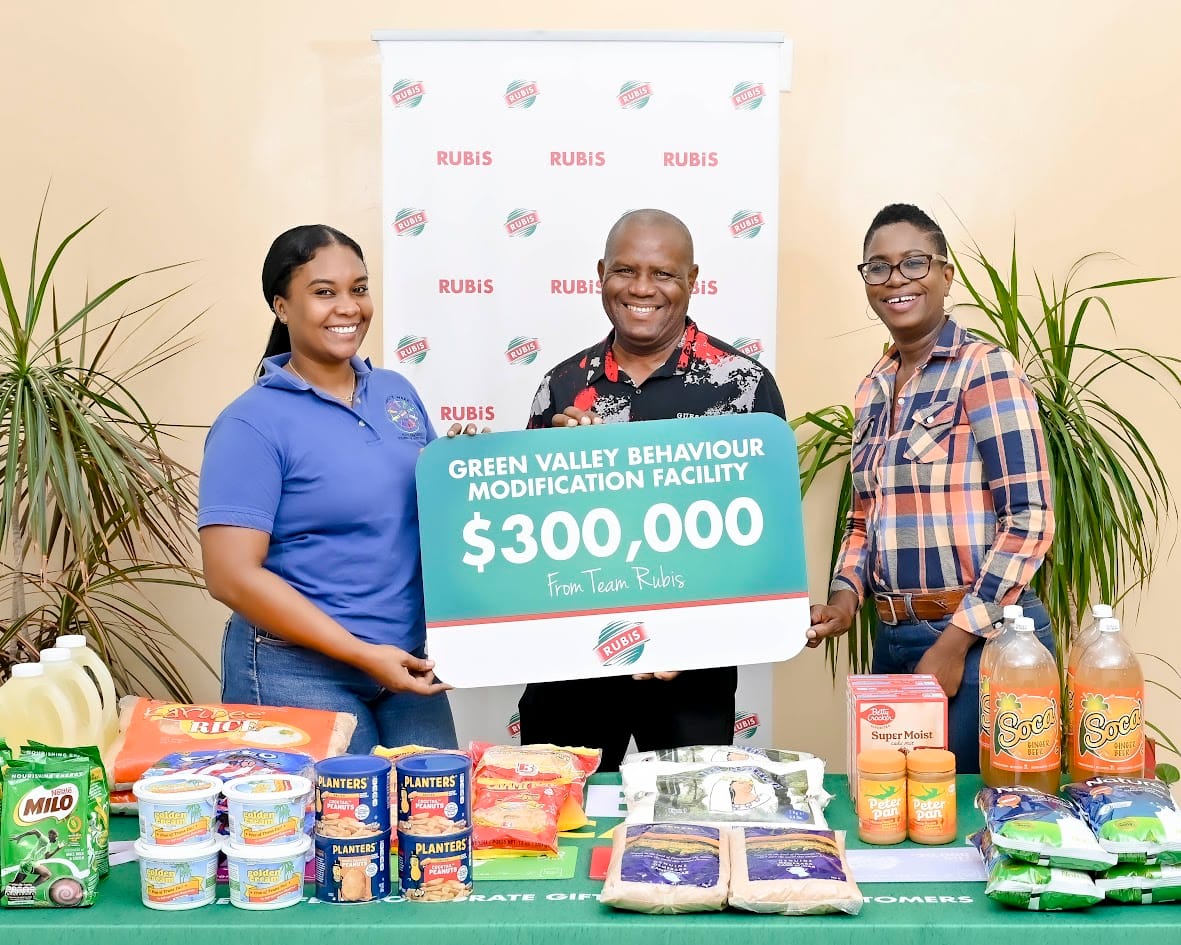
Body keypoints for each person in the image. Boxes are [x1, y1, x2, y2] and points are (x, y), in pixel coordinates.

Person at [517, 208, 787, 771]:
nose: (642, 288)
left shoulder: (742, 387)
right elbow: (535, 538)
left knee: (687, 838)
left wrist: (687, 636)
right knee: (560, 829)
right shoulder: (563, 386)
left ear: (691, 280)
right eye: (625, 270)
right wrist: (559, 469)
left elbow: (760, 543)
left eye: (663, 274)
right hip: (576, 665)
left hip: (690, 674)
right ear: (601, 273)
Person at [200, 224, 475, 754]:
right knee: (339, 833)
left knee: (436, 823)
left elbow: (440, 516)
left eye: (359, 288)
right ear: (281, 307)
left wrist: (473, 467)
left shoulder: (397, 393)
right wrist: (360, 652)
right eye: (324, 292)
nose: (348, 307)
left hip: (406, 663)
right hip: (296, 671)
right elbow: (230, 576)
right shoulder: (251, 423)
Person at [807, 203, 1055, 773]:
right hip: (894, 640)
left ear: (946, 274)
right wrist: (846, 600)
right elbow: (863, 518)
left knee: (969, 818)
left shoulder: (984, 368)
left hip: (981, 641)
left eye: (914, 263)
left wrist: (955, 641)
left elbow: (1031, 517)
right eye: (879, 267)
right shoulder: (872, 388)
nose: (896, 280)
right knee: (897, 813)